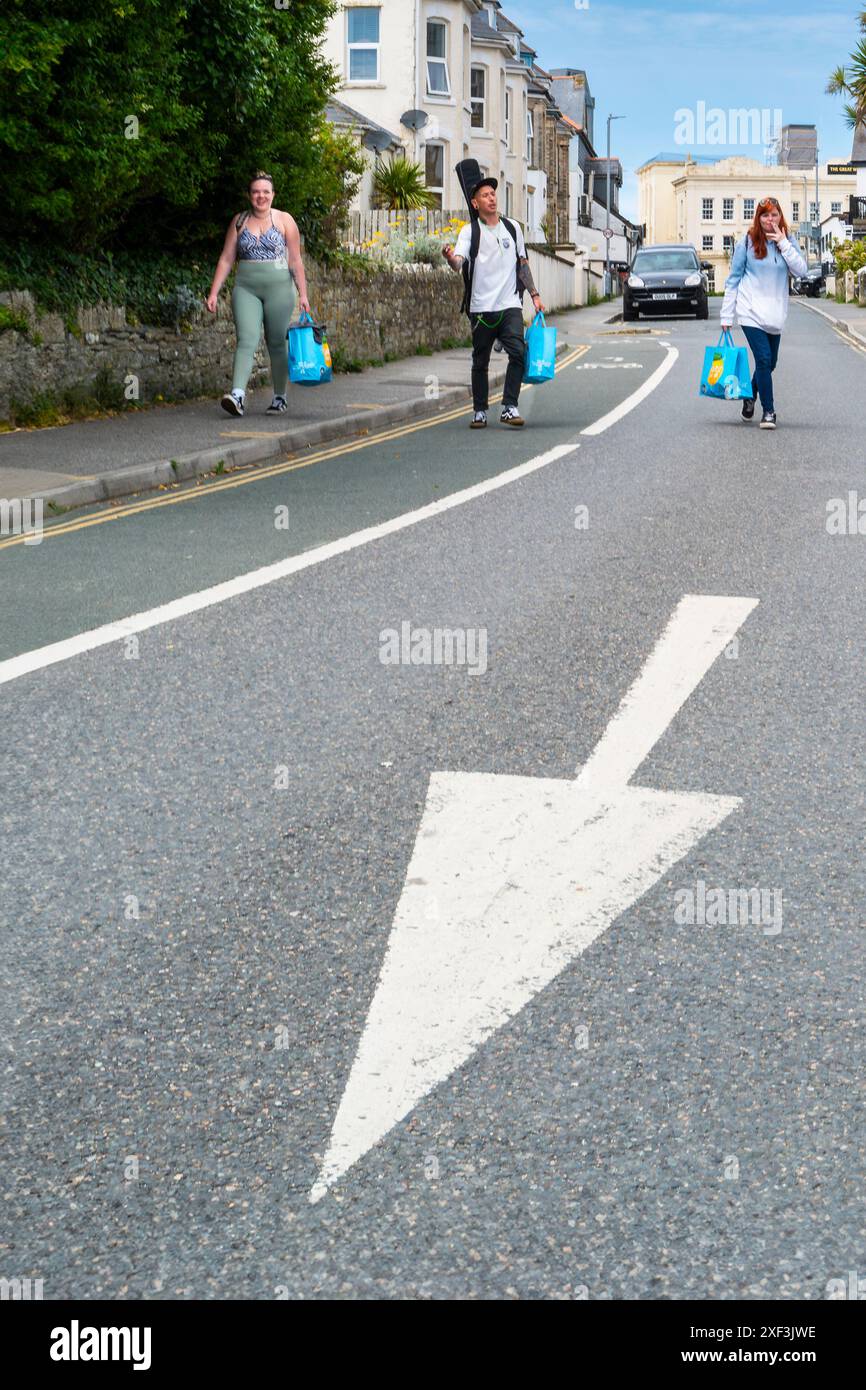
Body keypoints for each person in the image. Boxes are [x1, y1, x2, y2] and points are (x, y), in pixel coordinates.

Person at [442, 177, 544, 428]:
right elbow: (458, 264)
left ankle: (509, 406)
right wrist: (449, 258)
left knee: (518, 353)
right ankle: (480, 411)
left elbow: (522, 264)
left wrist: (534, 295)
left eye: (493, 194)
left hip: (510, 304)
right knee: (480, 360)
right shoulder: (469, 231)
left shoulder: (513, 228)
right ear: (475, 203)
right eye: (485, 195)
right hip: (480, 308)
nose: (492, 198)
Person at [206, 171, 311, 417]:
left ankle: (279, 397)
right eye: (256, 192)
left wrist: (303, 294)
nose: (260, 196)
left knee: (276, 342)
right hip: (246, 288)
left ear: (273, 195)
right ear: (249, 195)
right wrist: (213, 292)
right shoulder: (239, 221)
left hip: (279, 290)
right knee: (246, 339)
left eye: (265, 192)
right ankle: (238, 396)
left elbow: (295, 261)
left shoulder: (285, 220)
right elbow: (226, 258)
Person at [720, 196, 807, 430]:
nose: (771, 219)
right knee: (764, 359)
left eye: (774, 214)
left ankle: (750, 395)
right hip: (750, 311)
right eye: (765, 215)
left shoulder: (788, 240)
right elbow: (733, 280)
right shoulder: (747, 243)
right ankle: (769, 412)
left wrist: (783, 244)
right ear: (758, 219)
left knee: (771, 363)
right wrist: (727, 316)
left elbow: (801, 271)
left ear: (780, 216)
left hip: (776, 313)